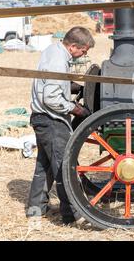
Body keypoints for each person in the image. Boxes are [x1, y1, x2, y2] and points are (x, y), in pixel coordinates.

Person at [26, 26, 95, 225]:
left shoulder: (53, 50)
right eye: (83, 51)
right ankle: (74, 215)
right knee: (65, 167)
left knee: (44, 166)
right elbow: (52, 98)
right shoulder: (58, 60)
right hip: (52, 120)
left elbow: (52, 81)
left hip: (41, 119)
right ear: (73, 46)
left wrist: (74, 87)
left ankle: (35, 210)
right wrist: (77, 109)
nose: (83, 55)